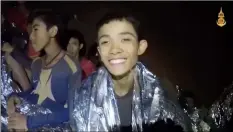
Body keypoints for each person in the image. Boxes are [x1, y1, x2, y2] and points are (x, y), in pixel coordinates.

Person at [72, 12, 192, 132]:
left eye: (125, 39)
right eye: (105, 42)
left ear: (140, 47)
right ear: (99, 51)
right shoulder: (86, 94)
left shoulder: (162, 94)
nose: (114, 49)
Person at [7, 10, 81, 130]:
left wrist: (29, 122)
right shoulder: (37, 63)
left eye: (35, 30)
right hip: (34, 121)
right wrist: (14, 97)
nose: (31, 36)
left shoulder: (71, 65)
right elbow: (36, 94)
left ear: (53, 31)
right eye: (31, 31)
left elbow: (73, 112)